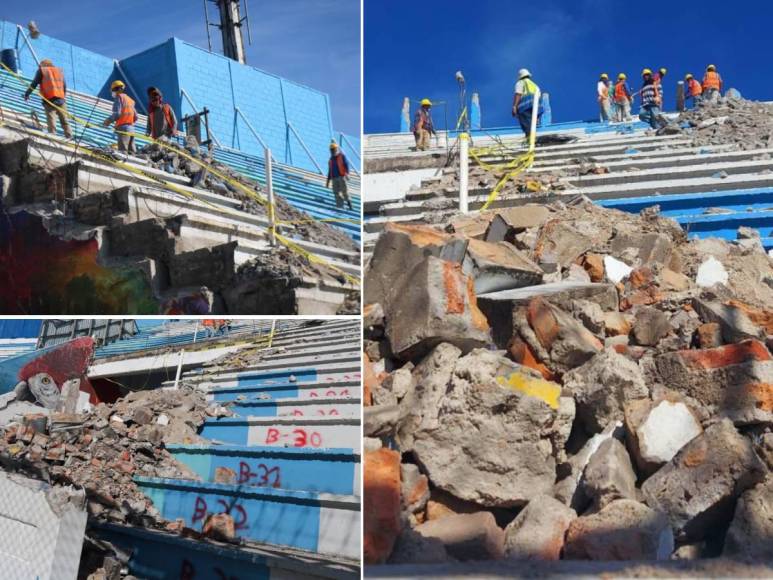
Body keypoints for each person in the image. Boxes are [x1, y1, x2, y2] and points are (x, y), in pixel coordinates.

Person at [23, 59, 73, 139]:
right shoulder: (58, 71)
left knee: (51, 119)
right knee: (64, 120)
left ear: (43, 65)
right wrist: (63, 97)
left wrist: (27, 94)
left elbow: (34, 84)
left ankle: (52, 136)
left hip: (49, 99)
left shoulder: (42, 71)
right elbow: (64, 86)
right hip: (61, 99)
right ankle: (69, 136)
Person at [102, 80, 137, 153]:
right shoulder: (130, 100)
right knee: (132, 154)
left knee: (122, 153)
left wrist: (107, 121)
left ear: (116, 90)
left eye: (113, 90)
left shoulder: (119, 98)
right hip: (132, 129)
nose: (113, 92)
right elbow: (136, 117)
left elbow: (117, 114)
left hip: (123, 129)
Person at [512, 68, 541, 140]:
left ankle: (529, 138)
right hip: (536, 105)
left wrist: (514, 106)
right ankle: (532, 137)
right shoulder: (535, 85)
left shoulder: (521, 82)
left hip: (525, 105)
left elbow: (518, 94)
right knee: (532, 122)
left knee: (526, 122)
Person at [326, 142, 353, 210]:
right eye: (331, 150)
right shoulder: (330, 160)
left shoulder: (342, 156)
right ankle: (340, 206)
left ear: (336, 149)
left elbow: (346, 165)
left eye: (334, 149)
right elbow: (330, 171)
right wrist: (328, 181)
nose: (332, 151)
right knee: (336, 193)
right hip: (334, 178)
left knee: (345, 191)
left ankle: (349, 204)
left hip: (341, 176)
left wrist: (347, 173)